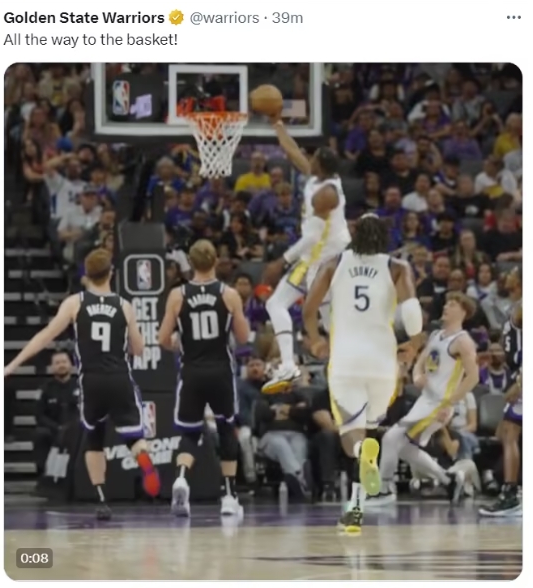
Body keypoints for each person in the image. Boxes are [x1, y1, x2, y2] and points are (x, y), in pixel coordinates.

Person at [4, 249, 160, 520]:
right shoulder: (124, 305)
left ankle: (101, 499)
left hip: (91, 380)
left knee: (94, 438)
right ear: (111, 273)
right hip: (119, 377)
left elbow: (45, 336)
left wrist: (12, 365)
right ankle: (143, 458)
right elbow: (138, 349)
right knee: (134, 436)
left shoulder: (75, 303)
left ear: (86, 275)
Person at [302, 213, 424, 532]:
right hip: (382, 361)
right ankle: (356, 506)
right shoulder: (398, 267)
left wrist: (315, 340)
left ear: (355, 234)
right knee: (370, 429)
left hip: (346, 359)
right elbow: (412, 315)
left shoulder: (334, 264)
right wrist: (412, 347)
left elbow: (309, 308)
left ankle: (359, 463)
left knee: (351, 434)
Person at [157, 239, 250, 518]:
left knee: (189, 432)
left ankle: (181, 478)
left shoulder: (177, 295)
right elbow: (243, 337)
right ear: (216, 261)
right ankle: (229, 497)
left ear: (190, 262)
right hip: (220, 371)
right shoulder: (229, 294)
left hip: (191, 372)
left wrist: (178, 343)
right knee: (226, 429)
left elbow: (162, 338)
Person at [262, 118, 352, 394]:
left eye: (313, 158)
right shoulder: (318, 178)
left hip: (323, 260)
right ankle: (343, 371)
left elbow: (312, 237)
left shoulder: (327, 194)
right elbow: (293, 153)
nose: (308, 160)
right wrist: (277, 125)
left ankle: (291, 365)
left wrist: (282, 261)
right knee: (326, 319)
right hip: (322, 259)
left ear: (320, 166)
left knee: (280, 304)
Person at [373, 292, 479, 506]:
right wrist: (417, 376)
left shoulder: (463, 341)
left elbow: (473, 377)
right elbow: (420, 362)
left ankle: (384, 490)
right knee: (402, 446)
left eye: (452, 305)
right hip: (425, 400)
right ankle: (447, 479)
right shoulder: (436, 335)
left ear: (463, 312)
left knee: (391, 439)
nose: (446, 307)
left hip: (439, 404)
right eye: (446, 303)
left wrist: (450, 403)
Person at [480, 270, 522, 517]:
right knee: (507, 432)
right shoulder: (515, 307)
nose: (507, 274)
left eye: (513, 273)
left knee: (509, 432)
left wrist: (521, 380)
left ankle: (511, 494)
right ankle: (513, 493)